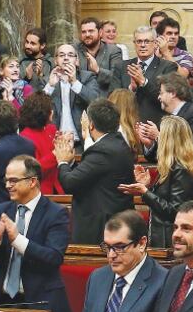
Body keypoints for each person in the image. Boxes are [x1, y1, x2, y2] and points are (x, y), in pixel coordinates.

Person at [0, 154, 70, 312]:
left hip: (39, 304)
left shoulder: (56, 213)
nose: (7, 186)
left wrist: (17, 240)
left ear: (32, 181)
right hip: (2, 302)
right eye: (6, 180)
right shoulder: (2, 210)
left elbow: (54, 257)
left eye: (13, 181)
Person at [54, 99, 135, 244]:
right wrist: (71, 162)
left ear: (91, 124)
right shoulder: (116, 143)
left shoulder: (103, 150)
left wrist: (63, 162)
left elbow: (70, 183)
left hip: (100, 227)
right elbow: (88, 176)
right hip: (113, 220)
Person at [119, 116, 193, 248]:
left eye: (161, 134)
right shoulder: (172, 165)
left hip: (169, 240)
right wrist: (147, 187)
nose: (158, 137)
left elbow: (175, 212)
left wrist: (145, 192)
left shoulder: (181, 169)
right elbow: (163, 201)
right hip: (161, 236)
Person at [43, 43, 101, 142]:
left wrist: (74, 82)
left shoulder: (87, 77)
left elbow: (96, 102)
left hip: (81, 140)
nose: (66, 58)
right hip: (54, 141)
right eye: (61, 55)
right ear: (55, 60)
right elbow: (35, 110)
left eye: (70, 55)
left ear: (77, 60)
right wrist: (50, 86)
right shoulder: (46, 81)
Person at [18, 92, 61, 194]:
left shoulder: (51, 129)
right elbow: (33, 169)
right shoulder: (25, 137)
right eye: (49, 108)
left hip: (57, 185)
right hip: (40, 190)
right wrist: (55, 153)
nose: (52, 111)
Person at [74, 16, 124, 96]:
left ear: (100, 32)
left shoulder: (114, 51)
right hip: (80, 99)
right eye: (84, 32)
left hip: (105, 100)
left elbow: (117, 79)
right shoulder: (74, 50)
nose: (87, 35)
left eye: (91, 31)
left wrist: (98, 70)